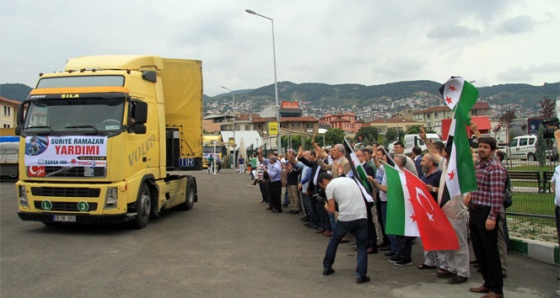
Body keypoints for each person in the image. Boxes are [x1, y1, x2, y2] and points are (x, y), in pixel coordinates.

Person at [464, 137, 507, 297]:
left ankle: (496, 289)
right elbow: (477, 187)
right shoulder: (480, 167)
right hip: (475, 210)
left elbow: (497, 195)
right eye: (480, 146)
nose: (481, 149)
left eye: (485, 147)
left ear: (492, 151)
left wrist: (492, 216)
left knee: (490, 252)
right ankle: (487, 282)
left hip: (487, 212)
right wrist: (469, 195)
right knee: (479, 250)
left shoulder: (495, 168)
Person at [318, 172, 370, 284]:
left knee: (335, 240)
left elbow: (332, 210)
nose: (324, 188)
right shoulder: (349, 180)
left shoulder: (330, 186)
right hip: (361, 214)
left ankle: (327, 266)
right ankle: (361, 275)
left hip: (346, 216)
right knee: (362, 245)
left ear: (324, 181)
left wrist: (324, 204)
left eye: (322, 186)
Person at [258, 148, 283, 213]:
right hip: (272, 180)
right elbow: (261, 159)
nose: (269, 159)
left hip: (276, 181)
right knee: (272, 194)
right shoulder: (270, 163)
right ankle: (273, 206)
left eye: (270, 157)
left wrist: (267, 170)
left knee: (277, 195)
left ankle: (278, 208)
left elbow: (272, 174)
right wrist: (259, 153)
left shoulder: (276, 165)